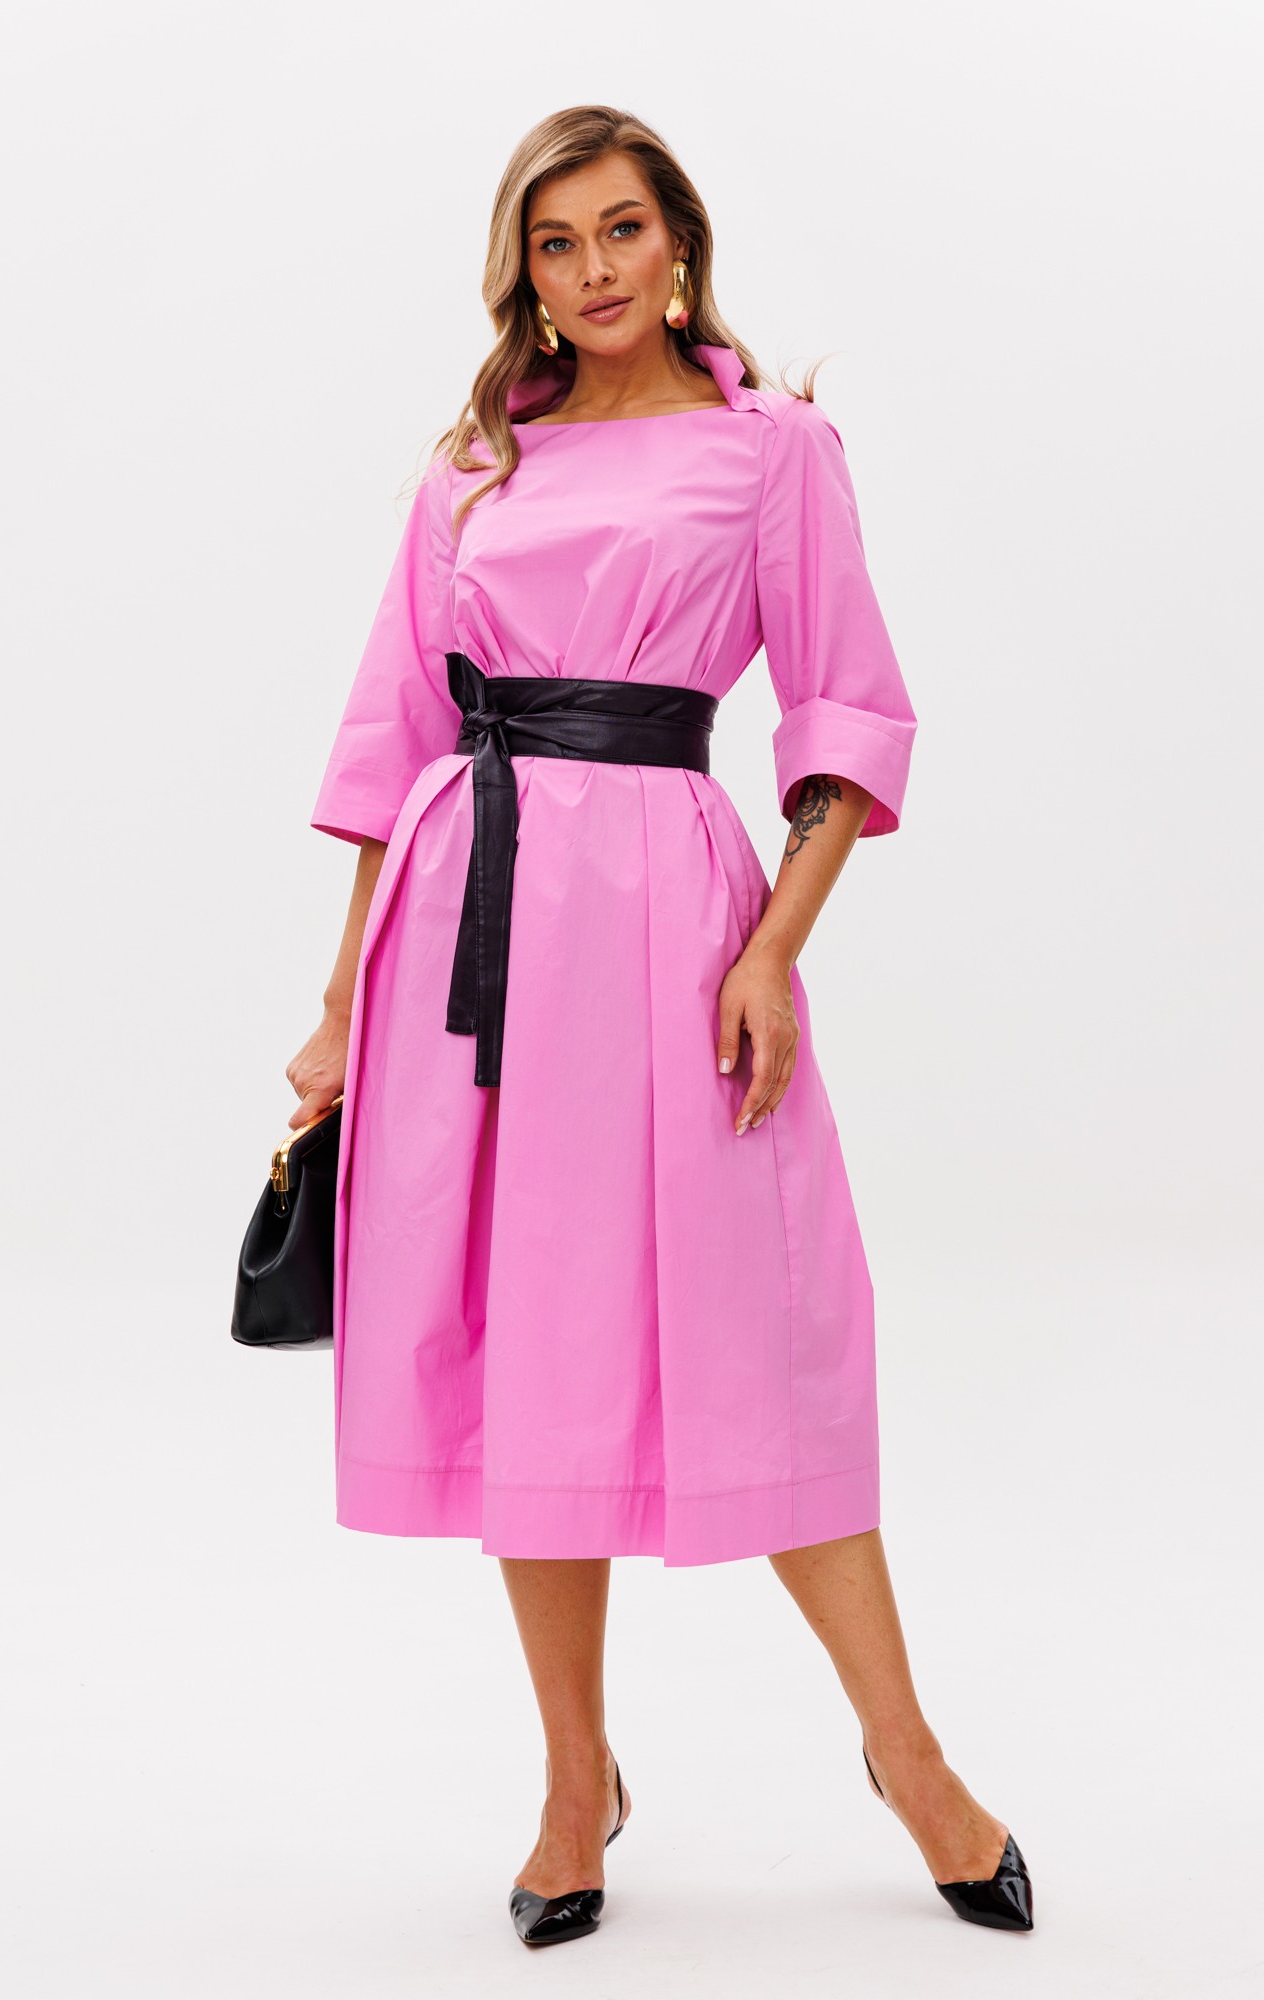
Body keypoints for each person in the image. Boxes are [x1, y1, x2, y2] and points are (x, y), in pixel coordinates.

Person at [285, 104, 1034, 1948]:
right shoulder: (475, 463)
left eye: (621, 228)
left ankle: (907, 1754)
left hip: (672, 922)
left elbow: (846, 713)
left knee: (754, 1334)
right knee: (528, 1348)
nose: (595, 267)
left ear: (677, 242)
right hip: (467, 938)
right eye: (556, 242)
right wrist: (336, 1009)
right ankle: (573, 1779)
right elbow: (391, 741)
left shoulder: (769, 449)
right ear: (523, 276)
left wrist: (771, 954)